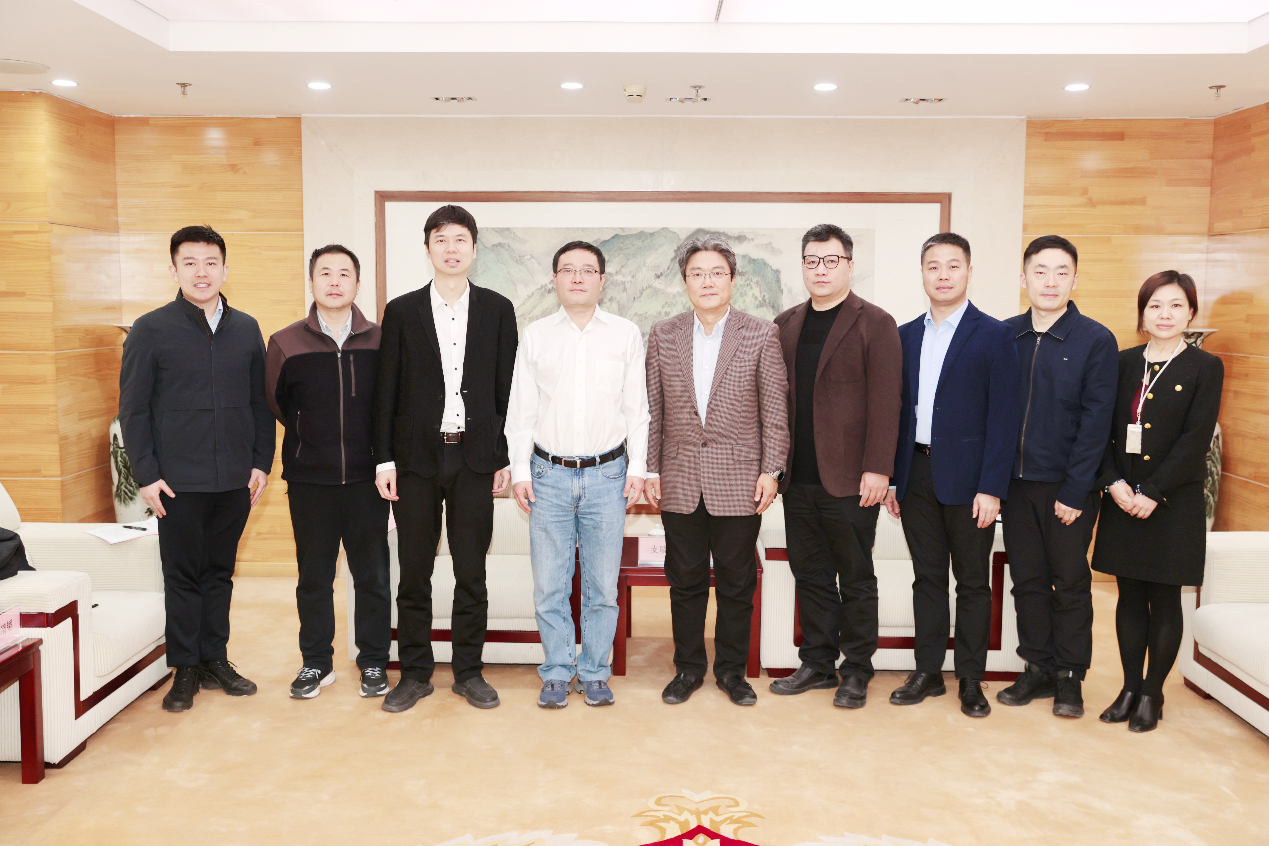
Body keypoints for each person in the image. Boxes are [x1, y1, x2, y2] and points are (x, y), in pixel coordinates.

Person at [118, 225, 274, 712]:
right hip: (176, 481)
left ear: (225, 269)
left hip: (234, 478)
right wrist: (146, 475)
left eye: (210, 262)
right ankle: (184, 668)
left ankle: (215, 660)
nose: (201, 272)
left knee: (220, 573)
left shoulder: (246, 328)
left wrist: (261, 462)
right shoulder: (151, 329)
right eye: (190, 263)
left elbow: (260, 402)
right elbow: (133, 409)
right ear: (174, 270)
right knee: (183, 576)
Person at [373, 205, 518, 712]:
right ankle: (414, 674)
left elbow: (507, 390)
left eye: (460, 239)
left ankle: (469, 672)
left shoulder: (498, 309)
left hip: (475, 459)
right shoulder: (402, 310)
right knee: (414, 573)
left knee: (471, 572)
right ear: (428, 248)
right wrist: (384, 460)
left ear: (474, 249)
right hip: (415, 459)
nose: (451, 248)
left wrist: (504, 456)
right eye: (441, 239)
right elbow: (386, 390)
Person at [645, 235, 790, 707]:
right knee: (684, 582)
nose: (707, 281)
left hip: (741, 479)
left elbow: (775, 411)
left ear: (732, 279)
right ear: (685, 281)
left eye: (716, 273)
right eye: (697, 273)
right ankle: (687, 669)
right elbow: (653, 410)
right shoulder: (663, 334)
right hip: (680, 477)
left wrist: (772, 470)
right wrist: (651, 470)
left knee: (736, 583)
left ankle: (731, 672)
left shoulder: (760, 333)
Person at [506, 241, 649, 708]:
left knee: (602, 587)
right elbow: (521, 411)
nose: (578, 277)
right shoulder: (536, 335)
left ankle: (594, 671)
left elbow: (637, 410)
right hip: (548, 474)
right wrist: (521, 471)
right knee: (550, 584)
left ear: (602, 280)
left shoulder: (625, 334)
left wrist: (639, 468)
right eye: (568, 270)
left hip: (608, 475)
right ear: (555, 280)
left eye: (588, 270)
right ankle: (555, 670)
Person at [883, 233, 1020, 718]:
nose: (943, 275)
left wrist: (992, 488)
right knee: (927, 578)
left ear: (968, 272)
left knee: (973, 583)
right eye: (933, 266)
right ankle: (927, 672)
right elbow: (897, 413)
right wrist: (894, 479)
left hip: (971, 481)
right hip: (916, 473)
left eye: (953, 266)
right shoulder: (904, 336)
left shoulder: (996, 335)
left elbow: (1005, 419)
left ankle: (970, 679)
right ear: (922, 273)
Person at [769, 223, 902, 709]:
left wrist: (879, 468)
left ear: (849, 265)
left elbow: (887, 401)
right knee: (811, 575)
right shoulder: (785, 323)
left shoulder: (876, 323)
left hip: (851, 480)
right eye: (812, 261)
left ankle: (857, 670)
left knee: (856, 577)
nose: (820, 270)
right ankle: (818, 663)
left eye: (831, 260)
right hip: (798, 478)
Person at [1092, 271, 1223, 733]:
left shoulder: (1205, 366)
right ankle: (1129, 687)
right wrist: (1112, 482)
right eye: (1155, 305)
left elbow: (1195, 440)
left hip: (1172, 502)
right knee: (1128, 596)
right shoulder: (1122, 362)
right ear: (1142, 313)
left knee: (1165, 598)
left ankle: (1152, 693)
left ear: (1191, 313)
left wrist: (1153, 491)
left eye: (1175, 305)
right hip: (1122, 497)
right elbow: (1099, 430)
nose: (1164, 314)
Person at [998, 235, 1118, 718]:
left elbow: (1096, 424)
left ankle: (1070, 676)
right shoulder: (1005, 335)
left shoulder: (1095, 339)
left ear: (1075, 279)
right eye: (1040, 271)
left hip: (1069, 487)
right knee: (1026, 581)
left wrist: (1075, 490)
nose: (1050, 281)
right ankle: (1037, 668)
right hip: (1014, 484)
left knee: (1068, 582)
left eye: (1061, 272)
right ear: (1023, 278)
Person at [265, 245, 392, 700]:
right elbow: (276, 403)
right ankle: (316, 663)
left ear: (357, 283)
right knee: (314, 578)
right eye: (325, 273)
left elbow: (392, 406)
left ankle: (373, 660)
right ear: (312, 282)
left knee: (372, 577)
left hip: (367, 480)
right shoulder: (285, 342)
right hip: (309, 481)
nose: (334, 281)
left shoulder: (381, 339)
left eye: (343, 273)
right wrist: (310, 436)